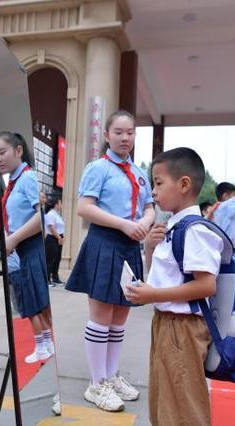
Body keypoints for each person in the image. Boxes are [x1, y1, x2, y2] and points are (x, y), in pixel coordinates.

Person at [65, 110, 155, 412]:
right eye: (118, 132)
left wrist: (145, 220)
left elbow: (150, 207)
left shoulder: (140, 172)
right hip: (105, 243)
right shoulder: (98, 168)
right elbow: (84, 209)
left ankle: (111, 375)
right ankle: (96, 383)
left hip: (129, 247)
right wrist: (124, 224)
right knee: (101, 316)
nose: (125, 137)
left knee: (120, 316)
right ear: (106, 135)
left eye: (130, 132)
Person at [125, 147, 221, 426]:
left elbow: (206, 286)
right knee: (164, 400)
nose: (153, 191)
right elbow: (164, 275)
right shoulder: (173, 228)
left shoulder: (196, 230)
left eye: (158, 182)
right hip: (166, 323)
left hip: (183, 327)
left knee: (183, 404)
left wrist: (153, 295)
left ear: (184, 184)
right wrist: (150, 248)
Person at [0, 131, 54, 364]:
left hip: (26, 247)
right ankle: (46, 343)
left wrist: (13, 240)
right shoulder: (14, 181)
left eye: (3, 152)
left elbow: (39, 219)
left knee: (30, 300)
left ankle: (42, 345)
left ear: (18, 151)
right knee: (33, 299)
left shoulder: (27, 178)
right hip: (21, 247)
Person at [44, 197, 65, 285]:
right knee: (50, 259)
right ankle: (47, 279)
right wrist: (59, 237)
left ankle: (55, 277)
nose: (61, 205)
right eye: (60, 203)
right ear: (56, 205)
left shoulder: (57, 215)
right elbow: (51, 227)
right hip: (52, 238)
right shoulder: (50, 214)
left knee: (57, 259)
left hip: (58, 238)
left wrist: (62, 237)